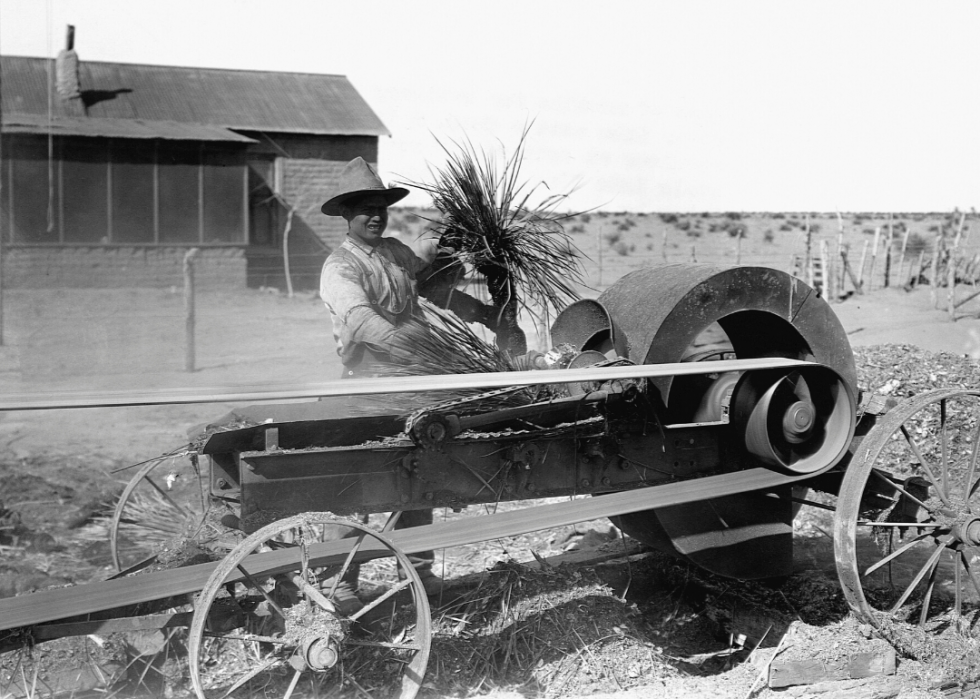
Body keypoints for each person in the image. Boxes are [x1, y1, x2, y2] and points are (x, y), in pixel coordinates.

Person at [319, 156, 443, 596]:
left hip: (414, 383)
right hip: (370, 383)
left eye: (381, 207)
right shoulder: (341, 267)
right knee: (358, 482)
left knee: (420, 474)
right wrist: (421, 349)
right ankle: (340, 583)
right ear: (347, 215)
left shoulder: (393, 252)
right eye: (363, 208)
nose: (374, 215)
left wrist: (446, 238)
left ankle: (419, 572)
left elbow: (424, 269)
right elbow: (361, 321)